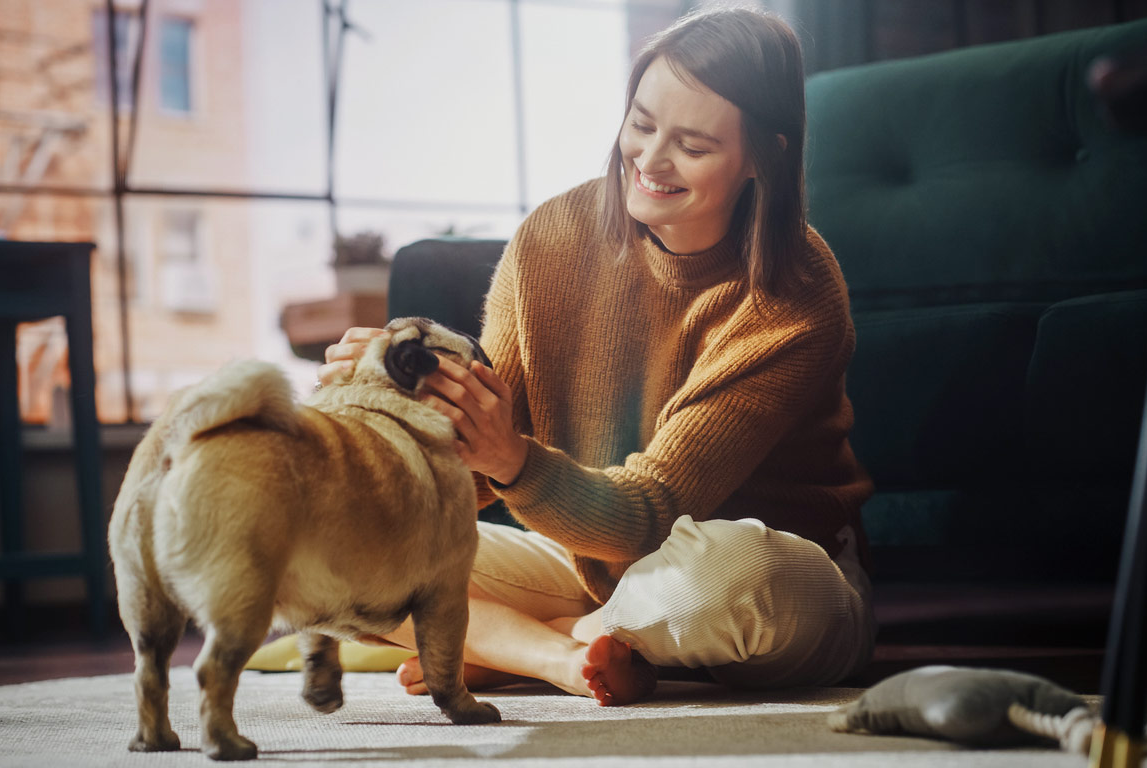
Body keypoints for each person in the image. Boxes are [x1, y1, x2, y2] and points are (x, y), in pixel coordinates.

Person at [318, 7, 875, 706]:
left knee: (723, 577)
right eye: (640, 124)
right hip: (588, 563)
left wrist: (511, 458)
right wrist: (413, 397)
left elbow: (649, 513)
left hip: (764, 577)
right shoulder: (552, 236)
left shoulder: (792, 294)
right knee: (309, 540)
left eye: (692, 146)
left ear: (764, 155)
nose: (648, 160)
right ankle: (556, 653)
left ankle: (509, 640)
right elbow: (478, 477)